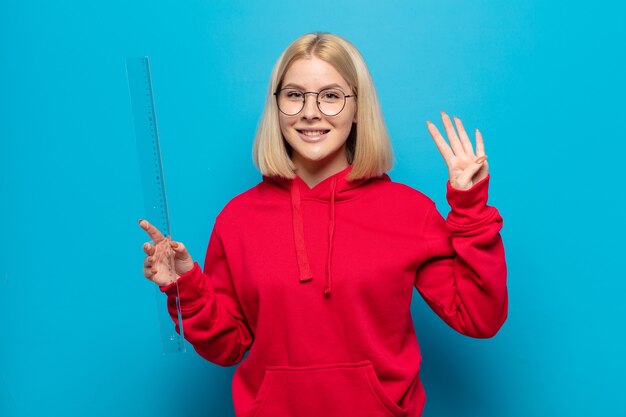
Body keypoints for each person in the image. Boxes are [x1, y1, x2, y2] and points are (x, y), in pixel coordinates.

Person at [138, 32, 507, 417]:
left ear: (358, 107)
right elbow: (226, 346)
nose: (310, 112)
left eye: (331, 96)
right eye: (295, 95)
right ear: (277, 105)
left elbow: (479, 318)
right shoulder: (238, 219)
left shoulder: (408, 212)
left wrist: (470, 210)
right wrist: (184, 287)